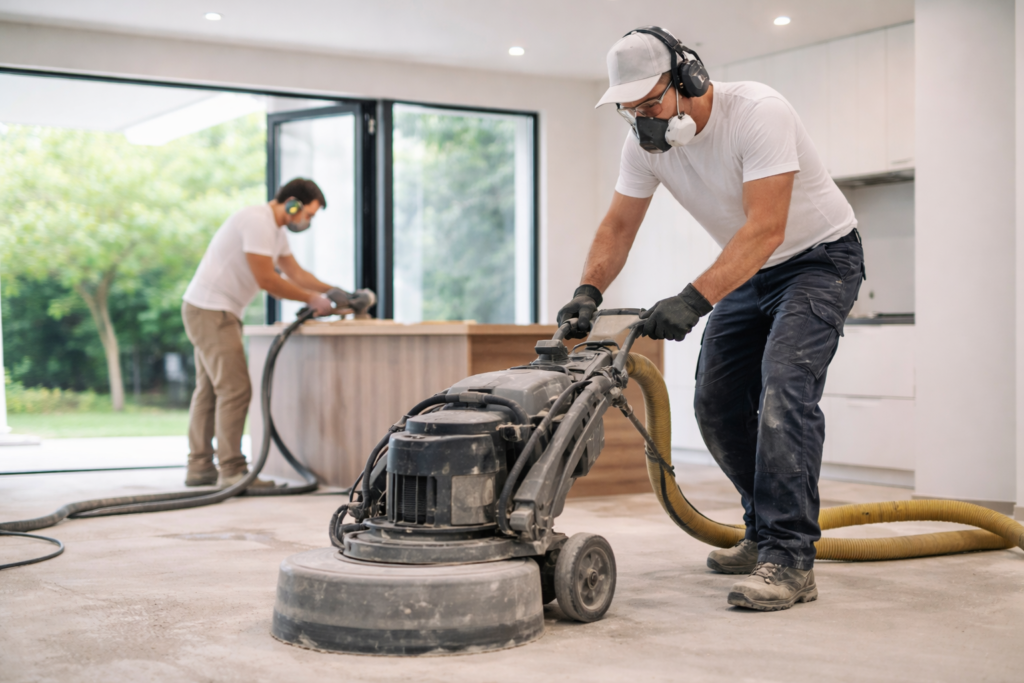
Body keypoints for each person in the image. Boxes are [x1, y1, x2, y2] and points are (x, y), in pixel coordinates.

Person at [558, 27, 864, 611]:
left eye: (651, 103)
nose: (642, 119)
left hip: (820, 259)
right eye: (630, 109)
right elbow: (619, 226)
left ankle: (791, 557)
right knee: (715, 402)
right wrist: (587, 289)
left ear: (688, 78)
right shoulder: (645, 148)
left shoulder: (758, 113)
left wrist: (694, 299)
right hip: (753, 269)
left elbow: (766, 228)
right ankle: (764, 530)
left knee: (784, 389)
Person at [181, 177, 340, 488]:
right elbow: (268, 280)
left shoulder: (274, 231)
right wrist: (312, 299)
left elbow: (295, 273)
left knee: (211, 389)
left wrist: (333, 291)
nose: (307, 221)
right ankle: (233, 472)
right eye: (308, 214)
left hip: (208, 310)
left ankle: (200, 467)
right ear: (292, 203)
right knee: (235, 389)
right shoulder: (257, 222)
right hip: (212, 312)